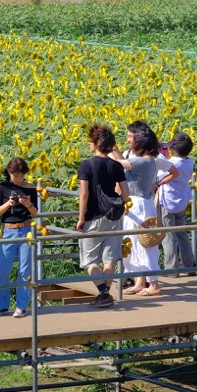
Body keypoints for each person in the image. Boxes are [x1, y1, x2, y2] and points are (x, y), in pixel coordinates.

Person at [77, 124, 130, 309]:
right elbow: (126, 193)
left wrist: (81, 217)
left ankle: (104, 293)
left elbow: (84, 194)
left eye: (91, 141)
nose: (89, 144)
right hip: (115, 216)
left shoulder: (87, 165)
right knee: (109, 259)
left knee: (89, 262)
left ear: (97, 143)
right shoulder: (116, 165)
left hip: (93, 217)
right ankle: (105, 295)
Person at [113, 121, 163, 297]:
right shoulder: (141, 159)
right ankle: (139, 282)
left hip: (141, 204)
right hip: (134, 204)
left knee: (146, 243)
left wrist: (111, 147)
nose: (127, 140)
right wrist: (113, 148)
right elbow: (122, 161)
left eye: (130, 137)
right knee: (133, 244)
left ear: (139, 140)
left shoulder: (145, 161)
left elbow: (121, 164)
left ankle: (154, 284)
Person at [0, 157, 37, 317]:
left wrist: (27, 204)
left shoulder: (30, 188)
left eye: (21, 176)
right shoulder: (1, 188)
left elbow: (35, 213)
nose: (18, 179)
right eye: (14, 175)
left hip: (26, 230)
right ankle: (1, 305)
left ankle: (21, 306)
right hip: (8, 231)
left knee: (25, 269)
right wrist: (9, 204)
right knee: (2, 269)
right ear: (8, 173)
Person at [156, 132, 197, 275]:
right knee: (182, 234)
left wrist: (161, 153)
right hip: (182, 201)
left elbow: (159, 174)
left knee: (168, 235)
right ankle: (190, 265)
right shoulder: (189, 162)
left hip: (168, 202)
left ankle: (172, 268)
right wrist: (169, 147)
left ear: (174, 147)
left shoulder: (172, 163)